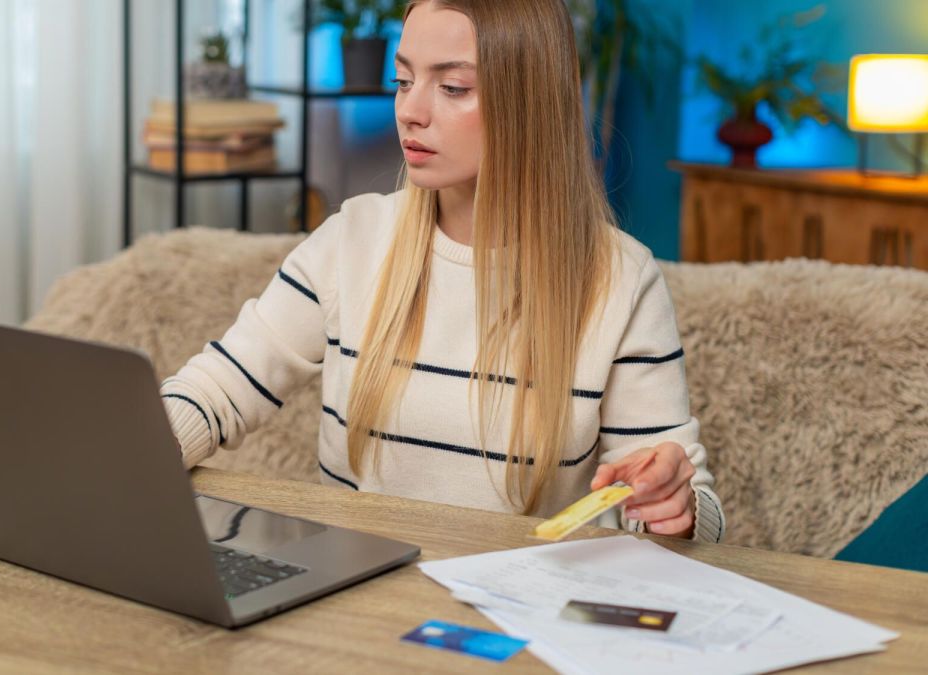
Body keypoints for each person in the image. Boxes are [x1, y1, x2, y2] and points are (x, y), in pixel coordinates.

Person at [160, 0, 724, 542]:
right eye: (404, 81)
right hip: (357, 605)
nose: (410, 110)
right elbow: (217, 390)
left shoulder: (621, 279)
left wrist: (671, 506)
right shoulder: (351, 240)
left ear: (530, 102)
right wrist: (128, 450)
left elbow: (675, 495)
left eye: (453, 87)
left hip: (521, 620)